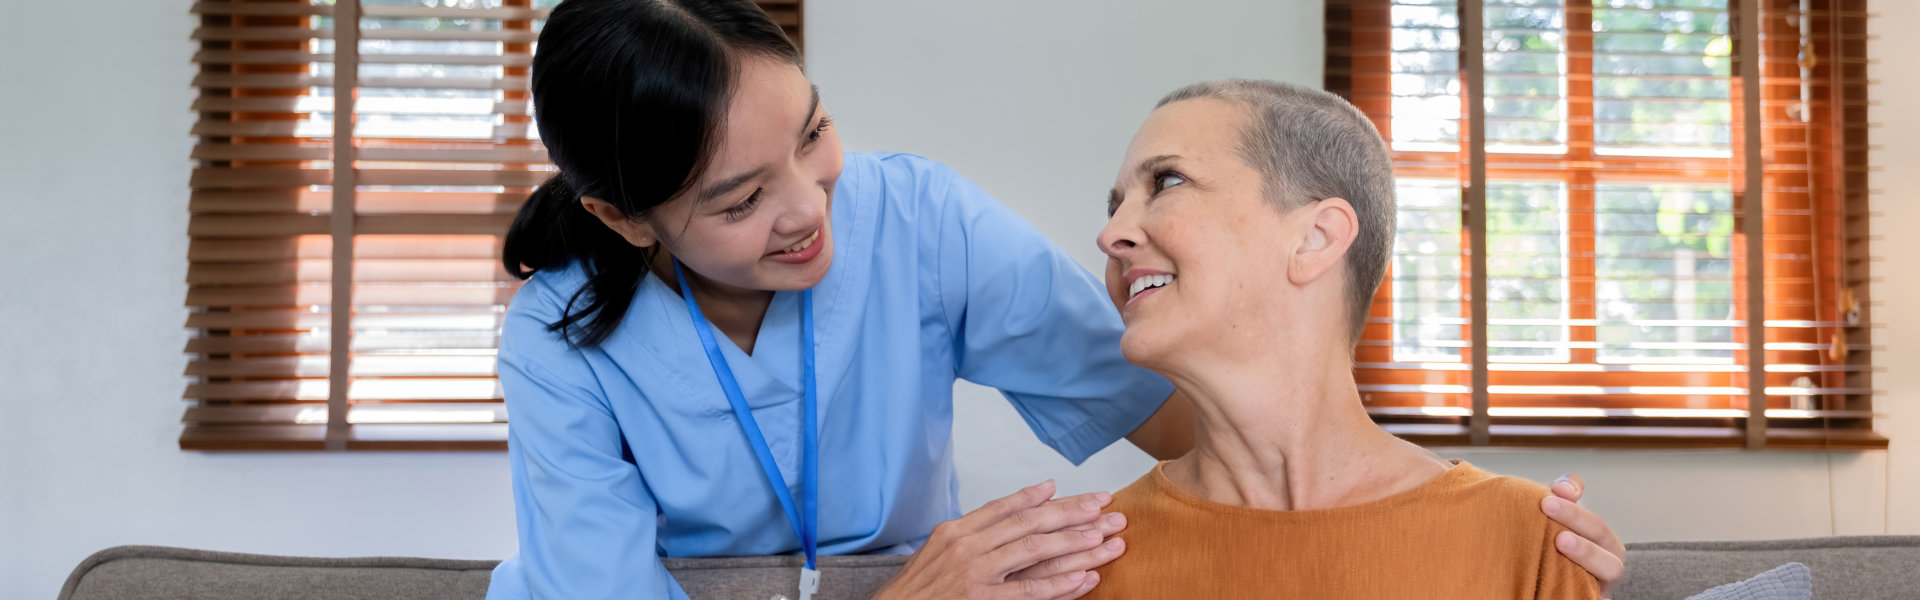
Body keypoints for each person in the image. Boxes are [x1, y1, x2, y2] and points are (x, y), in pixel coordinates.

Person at [488, 1, 1626, 598]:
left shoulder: (918, 220)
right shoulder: (557, 338)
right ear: (628, 221)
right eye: (740, 198)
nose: (808, 205)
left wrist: (1465, 518)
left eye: (816, 134)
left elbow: (1185, 409)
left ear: (1317, 234)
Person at [1085, 79, 1610, 599]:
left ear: (1316, 239)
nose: (1111, 236)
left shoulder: (1530, 543)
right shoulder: (1081, 562)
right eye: (1115, 207)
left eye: (1168, 182)